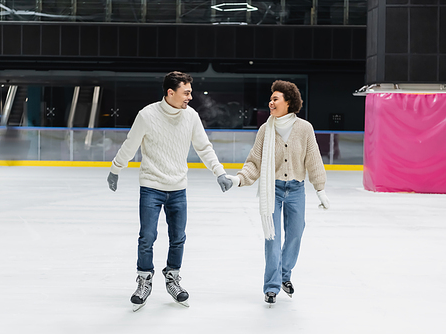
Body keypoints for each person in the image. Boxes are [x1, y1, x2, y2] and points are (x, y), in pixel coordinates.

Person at [107, 71, 233, 311]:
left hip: (178, 188)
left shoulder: (191, 117)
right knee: (147, 237)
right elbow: (130, 144)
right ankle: (144, 280)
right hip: (151, 186)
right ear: (170, 92)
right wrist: (116, 169)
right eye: (186, 92)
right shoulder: (147, 115)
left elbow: (204, 148)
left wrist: (219, 172)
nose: (190, 97)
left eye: (191, 92)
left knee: (178, 238)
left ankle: (172, 278)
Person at [226, 80, 330, 306]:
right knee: (272, 239)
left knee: (295, 234)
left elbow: (313, 160)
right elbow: (254, 162)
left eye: (275, 99)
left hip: (296, 189)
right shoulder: (266, 129)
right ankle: (272, 286)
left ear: (288, 102)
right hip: (271, 189)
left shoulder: (304, 128)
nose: (271, 102)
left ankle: (285, 275)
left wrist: (320, 189)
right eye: (271, 99)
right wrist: (238, 179)